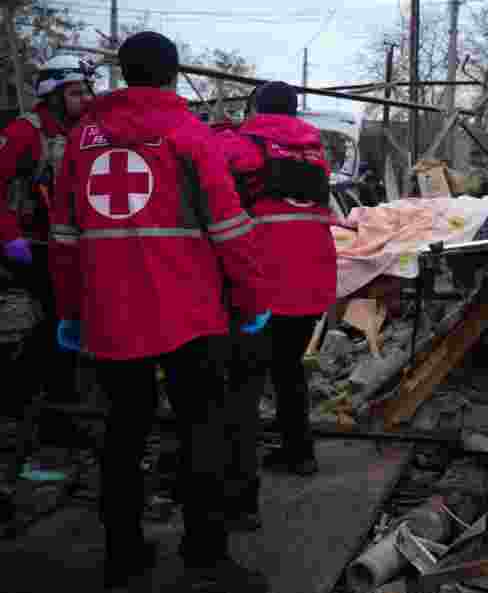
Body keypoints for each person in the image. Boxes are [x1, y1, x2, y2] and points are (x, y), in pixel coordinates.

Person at [49, 31, 273, 591]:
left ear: (124, 74)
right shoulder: (187, 133)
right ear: (173, 75)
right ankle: (205, 556)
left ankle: (122, 553)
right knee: (202, 429)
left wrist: (72, 311)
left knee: (122, 434)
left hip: (108, 313)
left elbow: (64, 236)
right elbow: (229, 228)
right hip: (188, 313)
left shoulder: (82, 138)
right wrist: (251, 301)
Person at [218, 81, 336, 529]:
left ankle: (238, 499)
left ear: (255, 107)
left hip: (264, 275)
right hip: (314, 273)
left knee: (243, 382)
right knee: (288, 368)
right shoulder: (314, 148)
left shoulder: (240, 142)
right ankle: (299, 452)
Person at [0, 55, 92, 416]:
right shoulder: (26, 132)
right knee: (52, 321)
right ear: (53, 95)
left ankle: (53, 400)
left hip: (68, 244)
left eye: (87, 90)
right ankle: (30, 402)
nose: (86, 99)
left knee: (67, 321)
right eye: (76, 92)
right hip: (30, 243)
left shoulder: (84, 133)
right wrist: (8, 237)